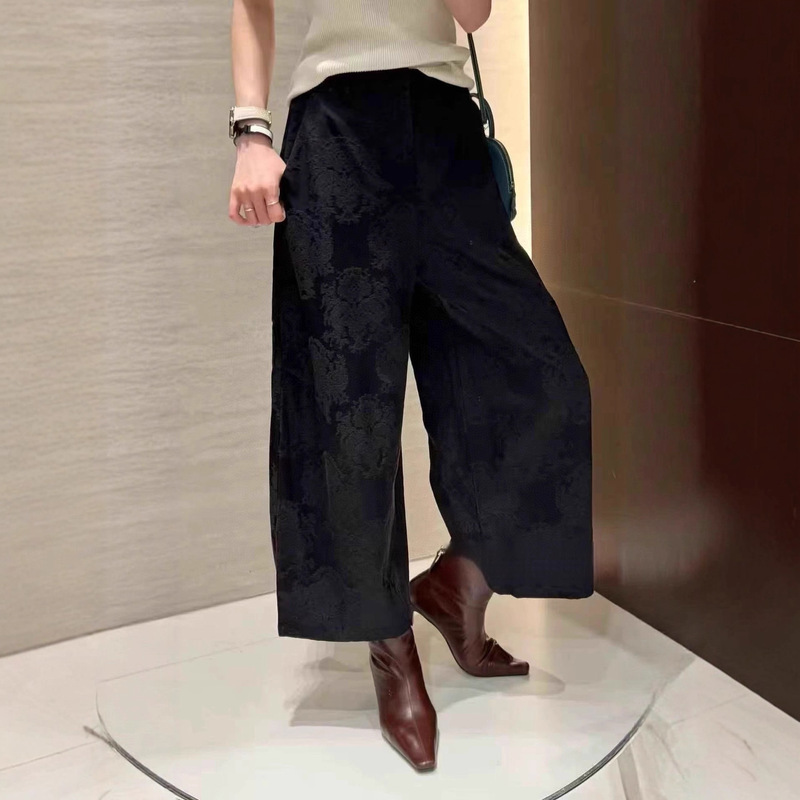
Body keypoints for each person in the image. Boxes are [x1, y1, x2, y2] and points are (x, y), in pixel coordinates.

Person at [228, 0, 594, 772]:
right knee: (350, 409)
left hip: (443, 124)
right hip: (335, 128)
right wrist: (251, 133)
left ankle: (458, 584)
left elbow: (475, 13)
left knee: (543, 375)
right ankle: (389, 644)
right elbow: (251, 6)